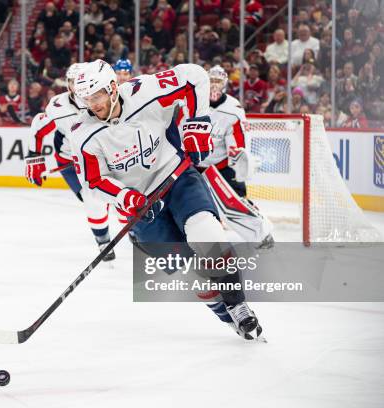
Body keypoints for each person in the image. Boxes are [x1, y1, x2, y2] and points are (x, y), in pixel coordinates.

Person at [72, 60, 264, 341]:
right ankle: (227, 317)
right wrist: (126, 198)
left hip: (176, 177)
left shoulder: (144, 91)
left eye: (97, 95)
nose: (92, 104)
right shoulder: (83, 134)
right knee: (189, 273)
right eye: (86, 98)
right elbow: (94, 182)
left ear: (113, 88)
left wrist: (198, 123)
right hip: (140, 208)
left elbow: (195, 76)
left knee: (207, 234)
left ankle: (238, 305)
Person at [24, 63, 119, 262]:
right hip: (70, 161)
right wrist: (34, 158)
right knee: (92, 198)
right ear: (68, 85)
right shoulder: (59, 107)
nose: (79, 87)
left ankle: (132, 228)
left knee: (107, 196)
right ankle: (103, 239)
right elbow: (39, 127)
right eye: (73, 82)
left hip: (102, 157)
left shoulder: (103, 102)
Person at [198, 66, 273, 247]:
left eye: (218, 81)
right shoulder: (196, 103)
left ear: (225, 84)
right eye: (212, 81)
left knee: (235, 201)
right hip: (195, 165)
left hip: (221, 166)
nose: (215, 85)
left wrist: (236, 168)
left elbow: (237, 147)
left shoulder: (233, 110)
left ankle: (262, 233)